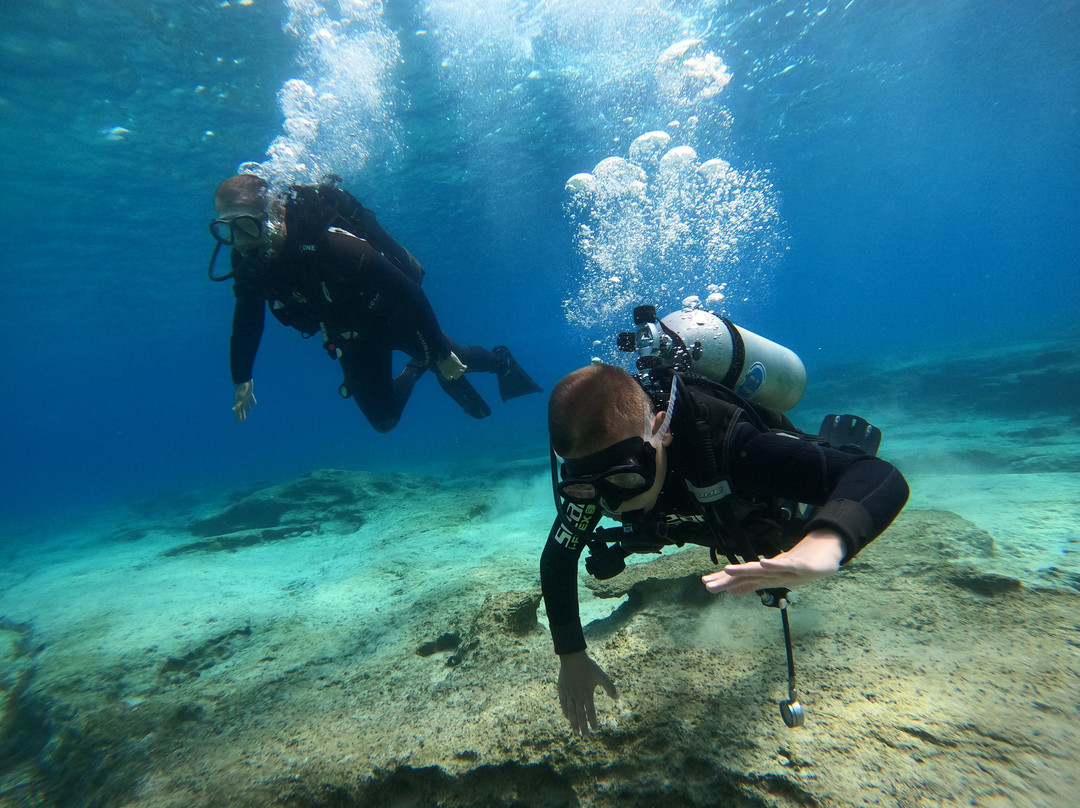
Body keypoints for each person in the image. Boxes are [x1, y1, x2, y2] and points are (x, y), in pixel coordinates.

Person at [542, 362, 909, 736]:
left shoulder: (729, 447)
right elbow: (558, 556)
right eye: (585, 488)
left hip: (756, 500)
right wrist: (571, 655)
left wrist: (824, 545)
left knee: (789, 534)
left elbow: (882, 477)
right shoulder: (596, 480)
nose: (612, 504)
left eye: (625, 478)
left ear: (661, 430)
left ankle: (834, 452)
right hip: (709, 519)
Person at [208, 173, 541, 433]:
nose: (239, 242)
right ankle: (418, 365)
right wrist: (242, 376)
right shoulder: (251, 261)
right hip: (350, 337)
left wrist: (439, 351)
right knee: (384, 422)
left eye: (245, 225)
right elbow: (248, 316)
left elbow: (410, 291)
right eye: (226, 230)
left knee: (453, 361)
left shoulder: (333, 246)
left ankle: (501, 362)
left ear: (272, 212)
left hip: (396, 317)